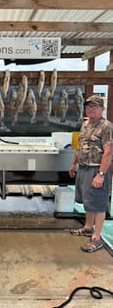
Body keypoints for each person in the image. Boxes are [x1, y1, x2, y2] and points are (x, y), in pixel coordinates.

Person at [69, 95, 113, 253]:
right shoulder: (85, 124)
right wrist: (73, 163)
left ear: (102, 109)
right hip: (84, 167)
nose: (91, 109)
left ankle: (96, 237)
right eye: (88, 106)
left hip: (96, 169)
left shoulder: (106, 126)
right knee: (88, 201)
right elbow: (80, 145)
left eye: (94, 106)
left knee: (99, 203)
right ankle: (88, 227)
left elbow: (108, 152)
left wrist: (101, 174)